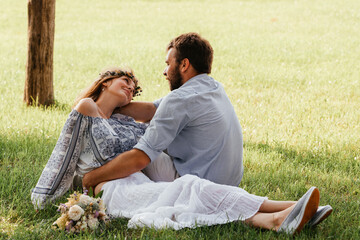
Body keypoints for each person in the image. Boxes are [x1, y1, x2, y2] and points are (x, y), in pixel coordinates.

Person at [31, 66, 332, 235]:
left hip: (142, 182)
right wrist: (51, 195)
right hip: (111, 189)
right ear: (106, 80)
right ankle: (291, 208)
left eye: (134, 87)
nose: (131, 87)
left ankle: (274, 217)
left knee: (191, 192)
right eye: (125, 81)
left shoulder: (128, 120)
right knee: (191, 187)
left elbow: (150, 114)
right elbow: (64, 153)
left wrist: (124, 104)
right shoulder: (86, 107)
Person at [82, 32, 244, 189]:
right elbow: (152, 110)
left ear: (184, 65)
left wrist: (90, 179)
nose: (165, 72)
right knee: (145, 127)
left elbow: (140, 158)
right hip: (229, 184)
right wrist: (105, 107)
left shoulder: (179, 99)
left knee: (134, 138)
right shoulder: (214, 87)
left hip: (198, 185)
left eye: (168, 64)